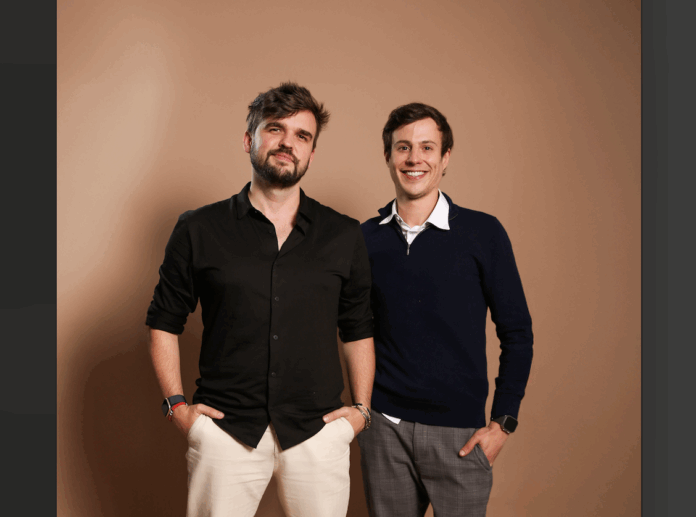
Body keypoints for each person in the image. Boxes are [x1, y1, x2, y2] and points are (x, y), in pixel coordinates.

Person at [146, 82, 375, 517]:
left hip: (318, 432)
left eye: (302, 136)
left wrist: (361, 412)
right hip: (224, 430)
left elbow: (358, 327)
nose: (288, 143)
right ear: (249, 139)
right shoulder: (198, 229)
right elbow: (164, 321)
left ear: (311, 154)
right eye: (275, 129)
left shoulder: (343, 234)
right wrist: (177, 407)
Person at [357, 103, 533, 517]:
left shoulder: (483, 233)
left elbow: (517, 333)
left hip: (460, 435)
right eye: (403, 147)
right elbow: (349, 329)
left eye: (427, 147)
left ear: (445, 157)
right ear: (388, 156)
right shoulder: (364, 239)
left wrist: (503, 423)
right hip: (384, 431)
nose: (414, 158)